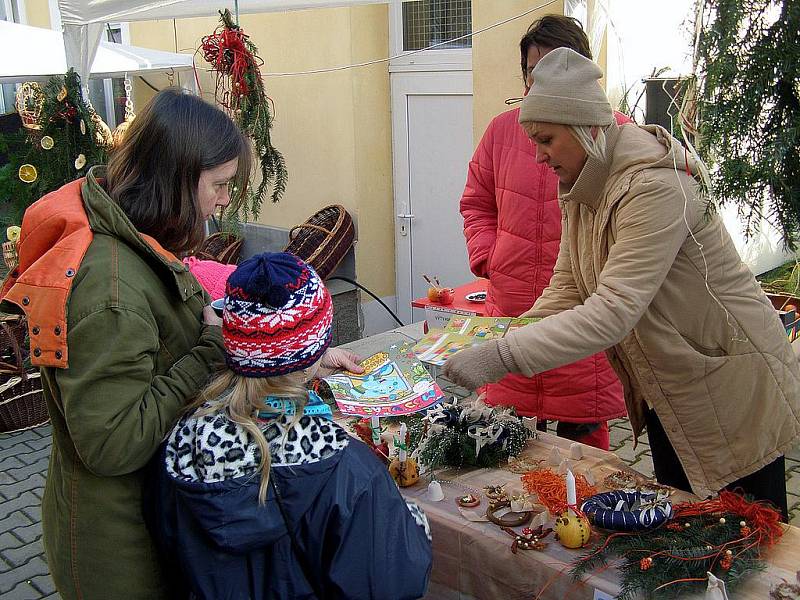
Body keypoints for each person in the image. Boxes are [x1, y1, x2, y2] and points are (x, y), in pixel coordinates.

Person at [0, 88, 362, 599]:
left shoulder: (138, 239)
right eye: (218, 184)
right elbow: (111, 441)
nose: (224, 199)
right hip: (121, 552)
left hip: (154, 518)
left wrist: (301, 359)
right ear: (174, 177)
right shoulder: (110, 289)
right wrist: (211, 351)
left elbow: (183, 338)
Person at [444, 47, 800, 518]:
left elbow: (612, 310)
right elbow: (569, 286)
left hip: (729, 383)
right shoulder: (581, 184)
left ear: (585, 128)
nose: (538, 154)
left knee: (749, 545)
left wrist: (499, 357)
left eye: (546, 139)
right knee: (687, 527)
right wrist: (501, 333)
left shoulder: (654, 185)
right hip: (672, 384)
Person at [147, 252, 433, 599]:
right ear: (315, 351)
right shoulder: (344, 469)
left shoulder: (181, 444)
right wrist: (412, 521)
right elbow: (393, 581)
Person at [459, 15, 628, 450]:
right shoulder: (501, 131)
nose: (544, 82)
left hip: (582, 322)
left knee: (584, 471)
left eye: (558, 67)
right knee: (505, 464)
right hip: (513, 310)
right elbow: (476, 202)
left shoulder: (615, 137)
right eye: (535, 73)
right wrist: (489, 256)